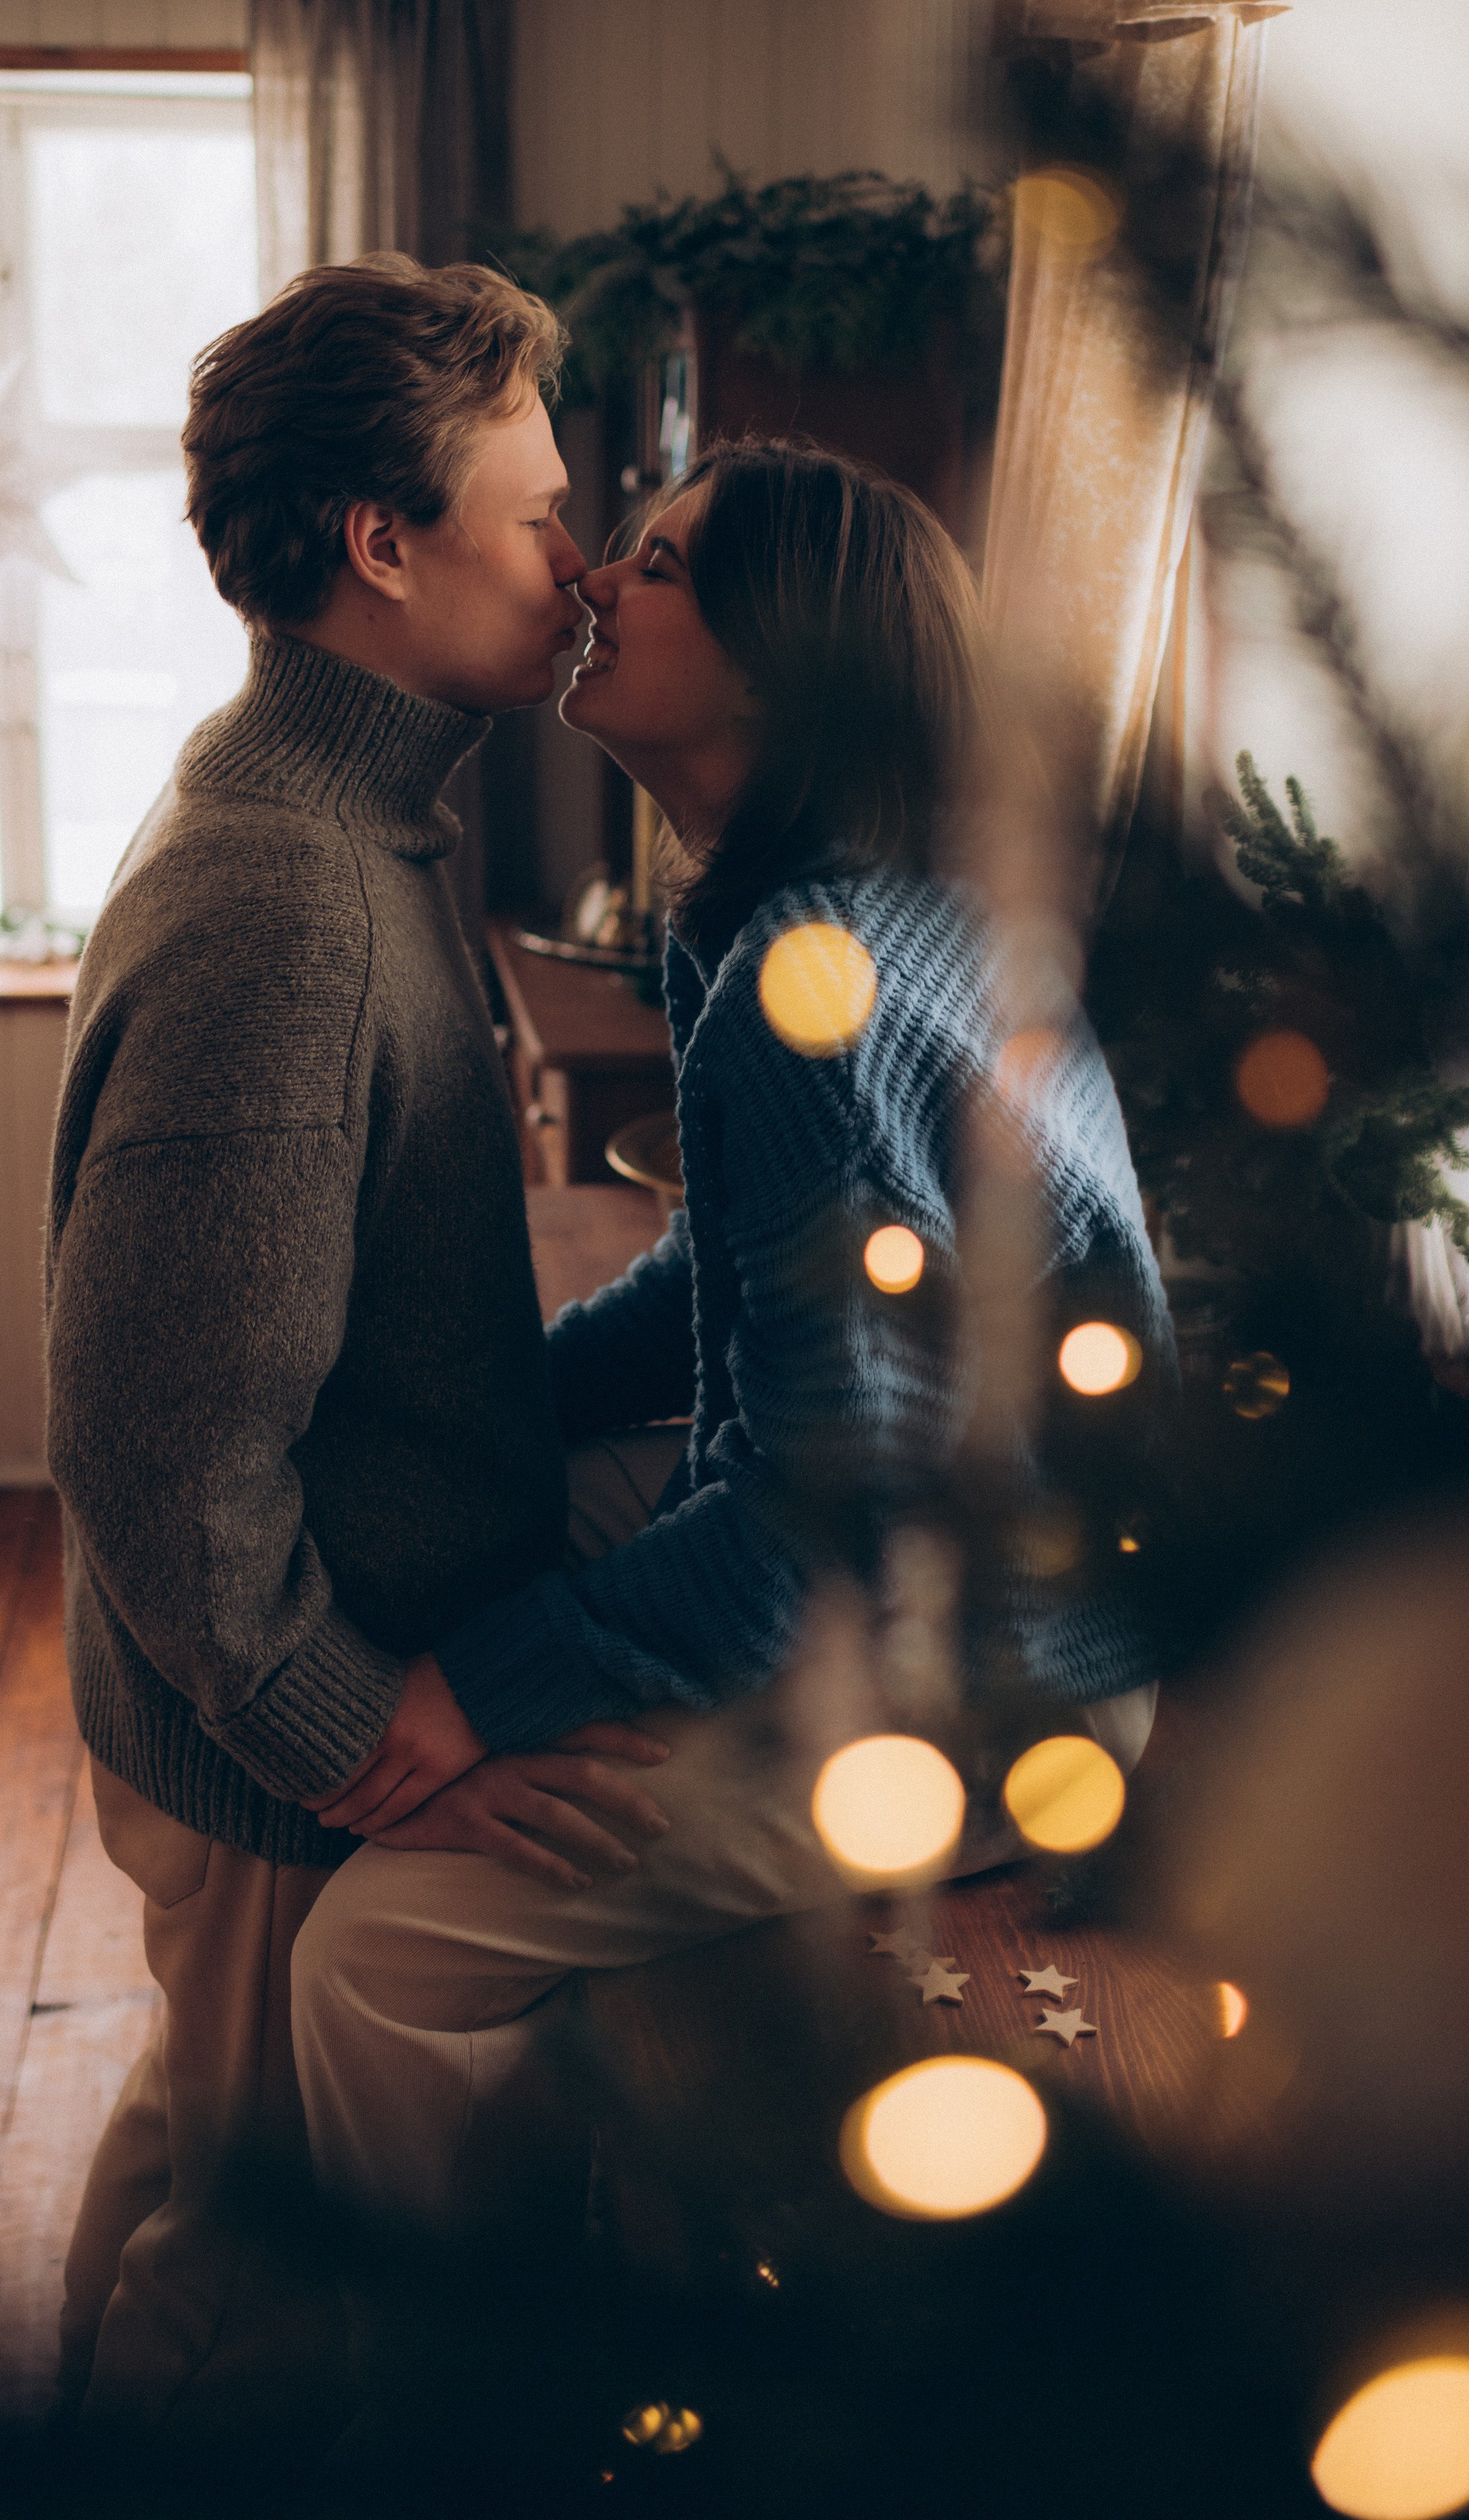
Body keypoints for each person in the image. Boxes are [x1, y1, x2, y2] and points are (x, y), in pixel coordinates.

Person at [289, 441, 1171, 2379]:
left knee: (366, 1958)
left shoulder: (803, 965)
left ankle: (485, 2394)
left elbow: (807, 1523)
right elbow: (725, 1295)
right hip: (1012, 1581)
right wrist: (487, 1404)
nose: (598, 568)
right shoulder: (839, 912)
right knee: (485, 1521)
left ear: (780, 660)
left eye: (665, 561)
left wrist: (485, 1692)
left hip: (988, 1677)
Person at [44, 252, 668, 2455]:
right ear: (381, 550)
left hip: (264, 1712)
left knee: (193, 2168)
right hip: (276, 1736)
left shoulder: (361, 818)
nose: (581, 563)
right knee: (256, 2294)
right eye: (538, 513)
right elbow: (157, 1438)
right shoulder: (291, 895)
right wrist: (349, 1734)